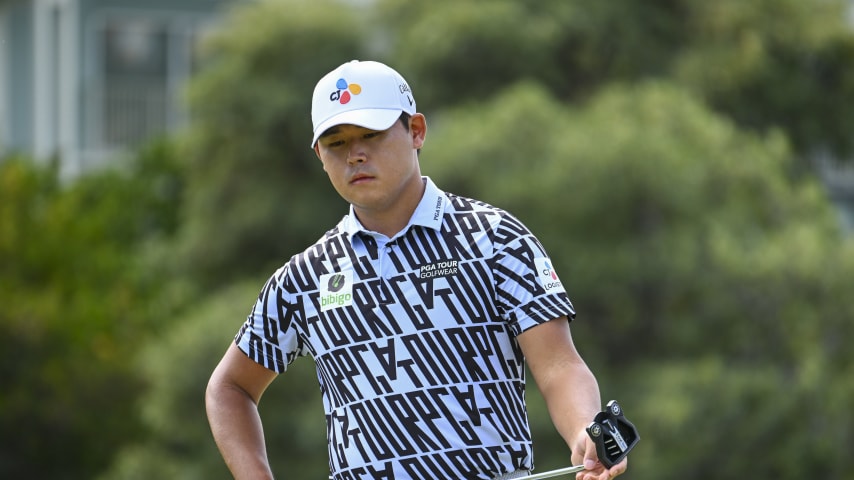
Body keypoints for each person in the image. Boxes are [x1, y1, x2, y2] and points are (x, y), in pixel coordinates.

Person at [205, 60, 628, 480]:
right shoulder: (305, 277)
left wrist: (584, 431)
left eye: (371, 134)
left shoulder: (494, 238)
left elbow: (559, 366)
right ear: (319, 155)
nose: (355, 154)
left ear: (417, 132)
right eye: (336, 143)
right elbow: (230, 388)